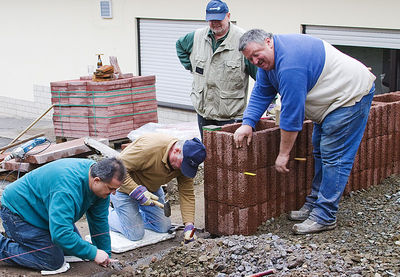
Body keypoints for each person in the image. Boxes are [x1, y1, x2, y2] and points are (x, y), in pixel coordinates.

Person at [233, 29, 376, 235]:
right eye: (250, 59)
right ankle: (315, 203)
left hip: (349, 96)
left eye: (256, 55)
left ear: (268, 42)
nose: (255, 61)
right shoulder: (269, 62)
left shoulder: (290, 64)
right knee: (320, 150)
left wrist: (283, 155)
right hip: (329, 102)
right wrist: (248, 122)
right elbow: (262, 91)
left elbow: (292, 116)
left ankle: (325, 215)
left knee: (334, 157)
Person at [0, 157, 126, 271]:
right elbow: (60, 235)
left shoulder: (100, 185)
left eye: (116, 189)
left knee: (72, 249)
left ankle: (34, 239)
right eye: (111, 189)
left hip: (44, 213)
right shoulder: (67, 188)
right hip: (18, 213)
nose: (113, 193)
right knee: (52, 261)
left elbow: (99, 222)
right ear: (97, 180)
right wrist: (94, 253)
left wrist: (105, 255)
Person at [176, 0, 257, 140]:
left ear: (228, 16)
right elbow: (180, 46)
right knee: (208, 153)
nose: (215, 23)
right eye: (211, 19)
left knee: (231, 156)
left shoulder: (243, 40)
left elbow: (260, 74)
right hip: (204, 113)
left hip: (231, 115)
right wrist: (191, 66)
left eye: (219, 19)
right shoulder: (196, 37)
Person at [108, 133, 206, 243]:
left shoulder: (184, 161)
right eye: (182, 165)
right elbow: (115, 169)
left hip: (150, 189)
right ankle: (106, 214)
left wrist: (189, 225)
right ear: (176, 151)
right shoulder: (148, 148)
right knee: (135, 234)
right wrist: (135, 190)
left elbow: (186, 194)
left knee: (163, 227)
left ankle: (132, 217)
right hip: (123, 188)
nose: (182, 169)